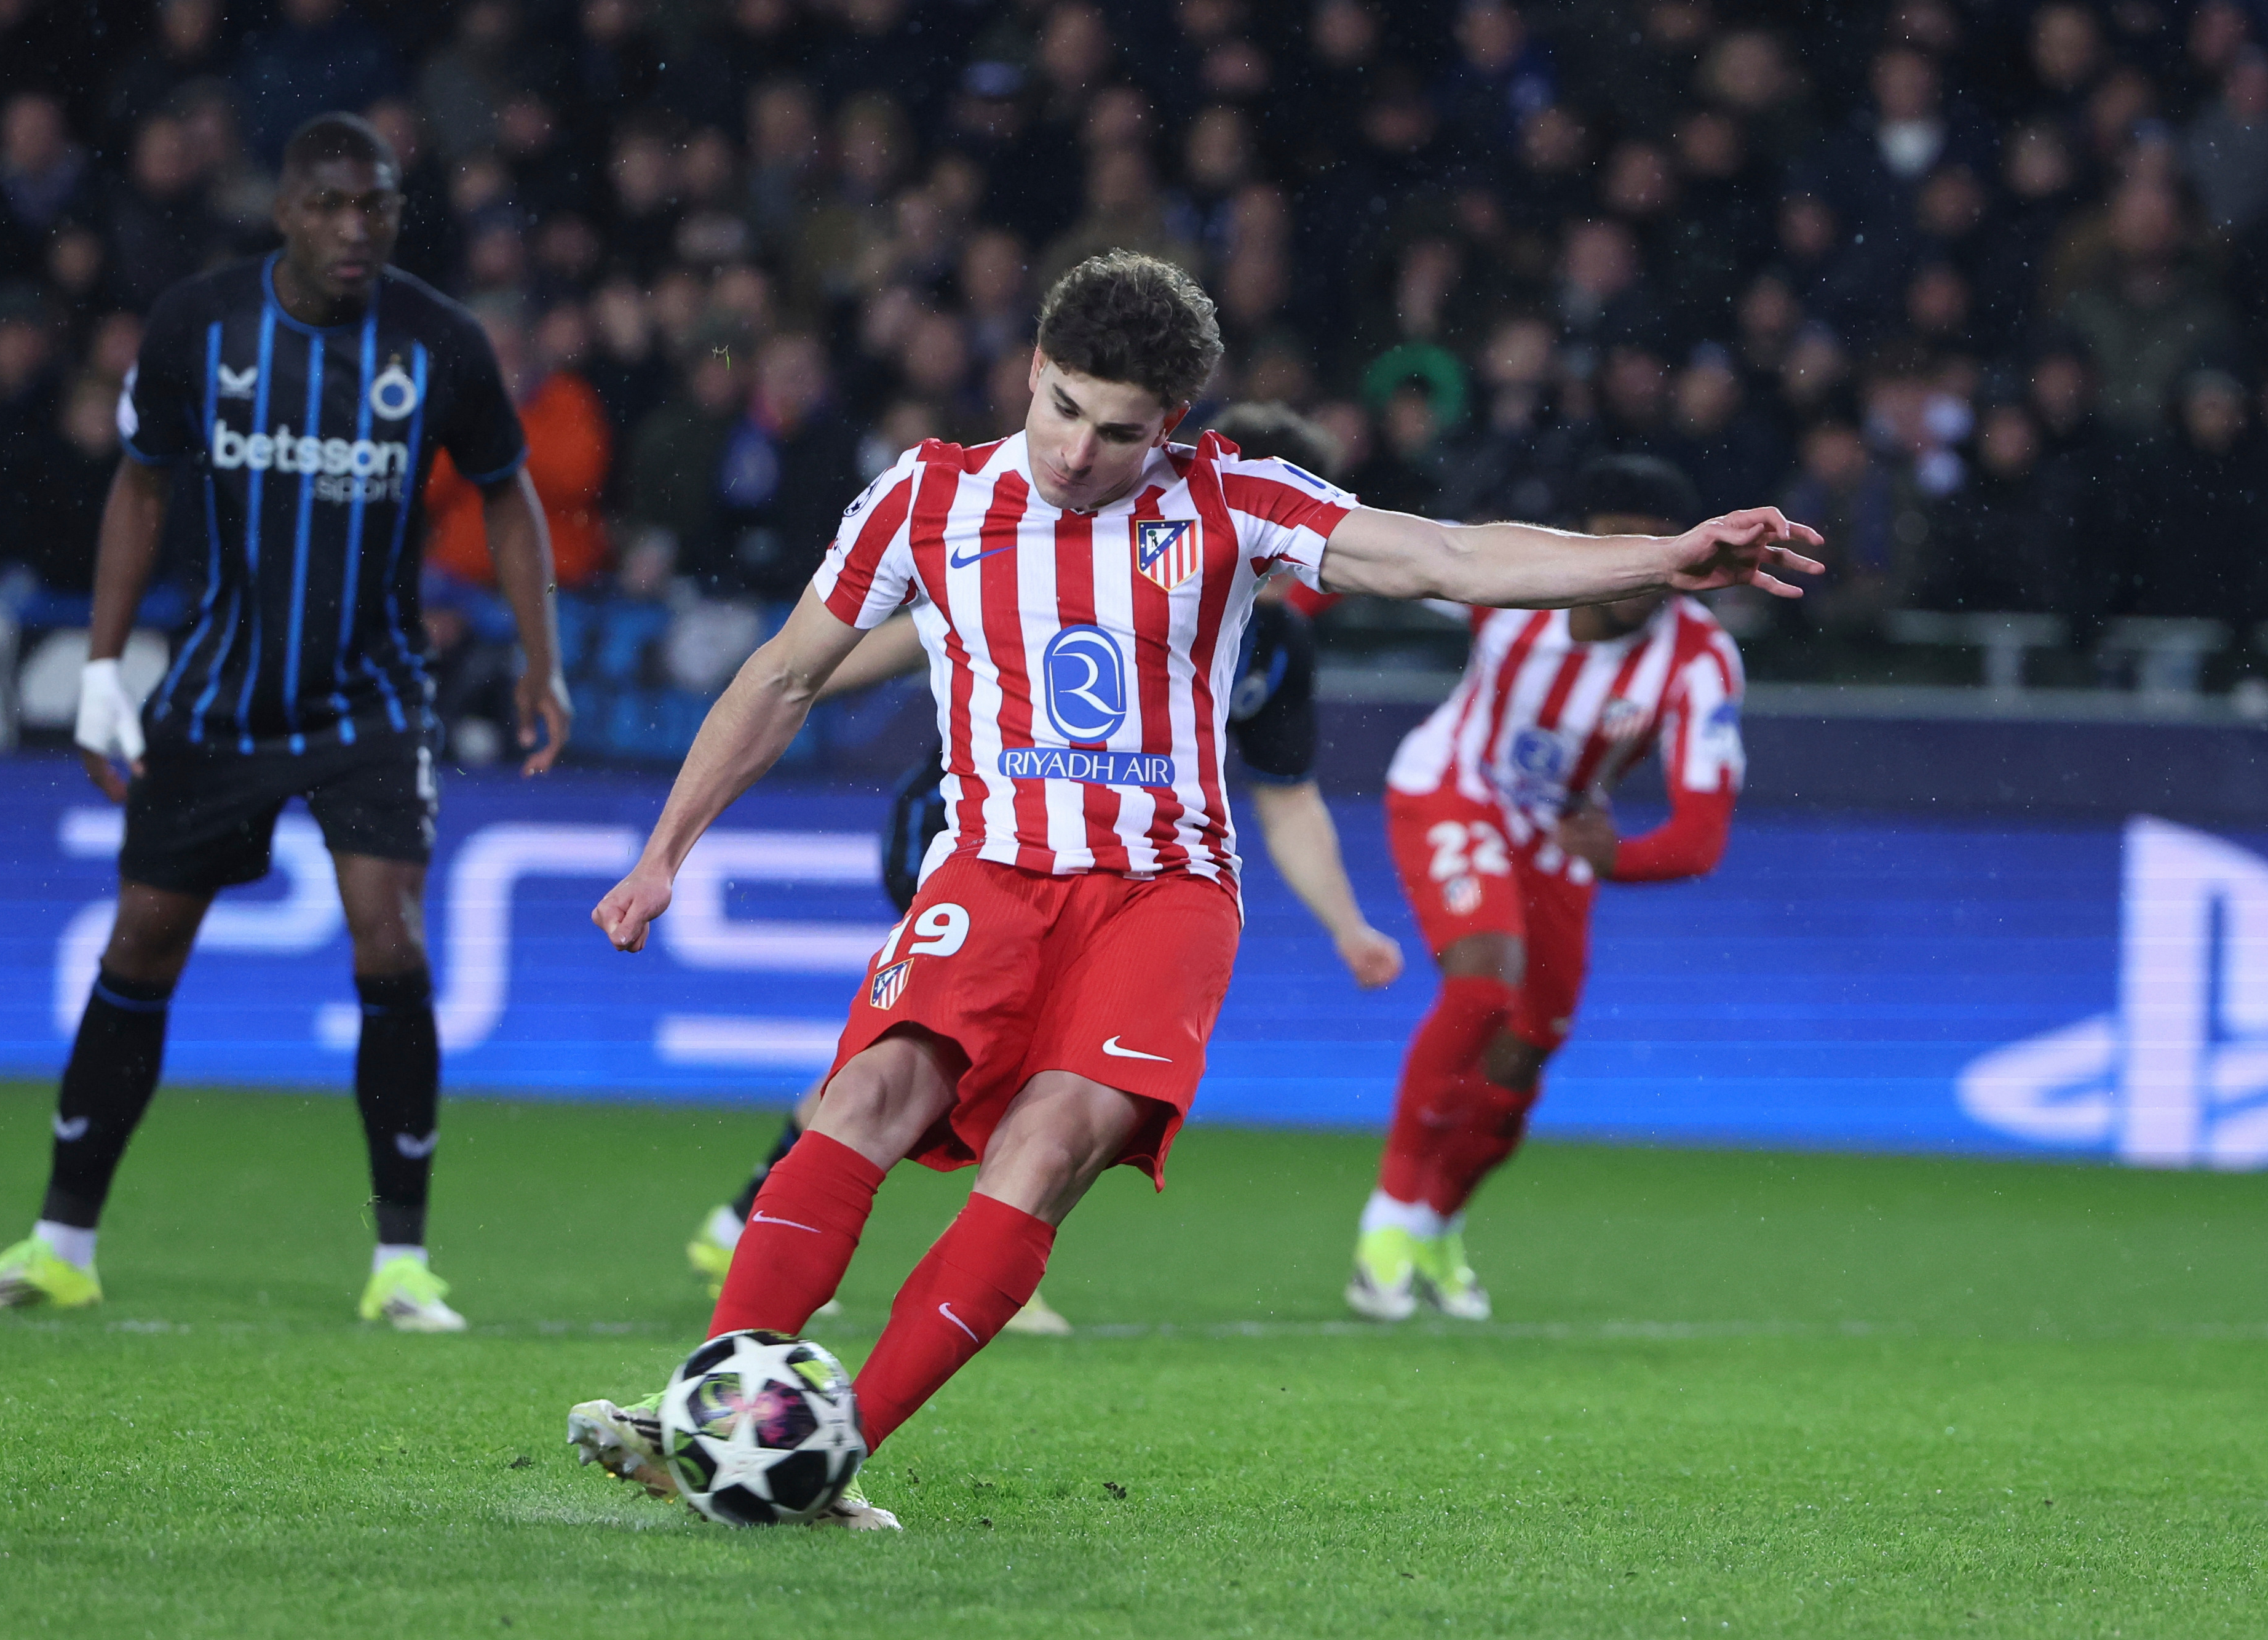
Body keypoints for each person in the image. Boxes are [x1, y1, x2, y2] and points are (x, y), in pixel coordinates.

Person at [570, 252, 1816, 1527]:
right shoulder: (925, 497)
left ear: (1170, 424)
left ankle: (827, 1457)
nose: (1072, 453)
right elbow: (782, 677)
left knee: (1047, 1148)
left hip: (1161, 894)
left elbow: (1441, 554)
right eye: (1060, 408)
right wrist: (665, 849)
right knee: (868, 1094)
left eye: (1116, 433)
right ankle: (701, 1419)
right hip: (990, 867)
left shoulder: (1231, 501)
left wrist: (1661, 559)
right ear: (1032, 372)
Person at [0, 114, 570, 1330]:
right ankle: (61, 1244)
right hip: (222, 693)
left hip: (372, 693)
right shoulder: (199, 325)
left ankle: (401, 1265)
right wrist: (105, 668)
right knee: (140, 948)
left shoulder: (439, 341)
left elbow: (508, 494)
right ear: (283, 208)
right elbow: (140, 482)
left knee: (391, 943)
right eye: (330, 204)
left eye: (375, 206)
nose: (353, 229)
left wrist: (544, 661)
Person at [683, 401, 1410, 1337]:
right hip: (968, 834)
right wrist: (799, 678)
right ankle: (847, 1230)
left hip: (1113, 866)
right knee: (949, 1046)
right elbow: (919, 623)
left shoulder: (1272, 644)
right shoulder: (1075, 543)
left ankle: (776, 1214)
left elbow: (1288, 795)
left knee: (949, 1056)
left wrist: (1346, 924)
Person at [1346, 455, 1747, 1322]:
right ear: (1580, 544)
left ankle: (1437, 1226)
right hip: (1452, 784)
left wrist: (1616, 856)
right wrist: (1275, 598)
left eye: (1654, 550)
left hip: (1562, 835)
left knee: (1520, 1062)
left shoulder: (1701, 661)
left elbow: (1700, 836)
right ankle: (1386, 1222)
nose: (1635, 571)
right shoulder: (1514, 582)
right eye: (1615, 546)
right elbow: (1376, 565)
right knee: (1485, 979)